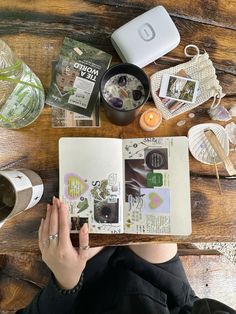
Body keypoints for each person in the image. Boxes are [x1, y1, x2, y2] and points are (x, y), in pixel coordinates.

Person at [17, 197, 235, 314]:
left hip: (82, 291)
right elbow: (198, 308)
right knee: (152, 210)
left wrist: (66, 280)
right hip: (160, 288)